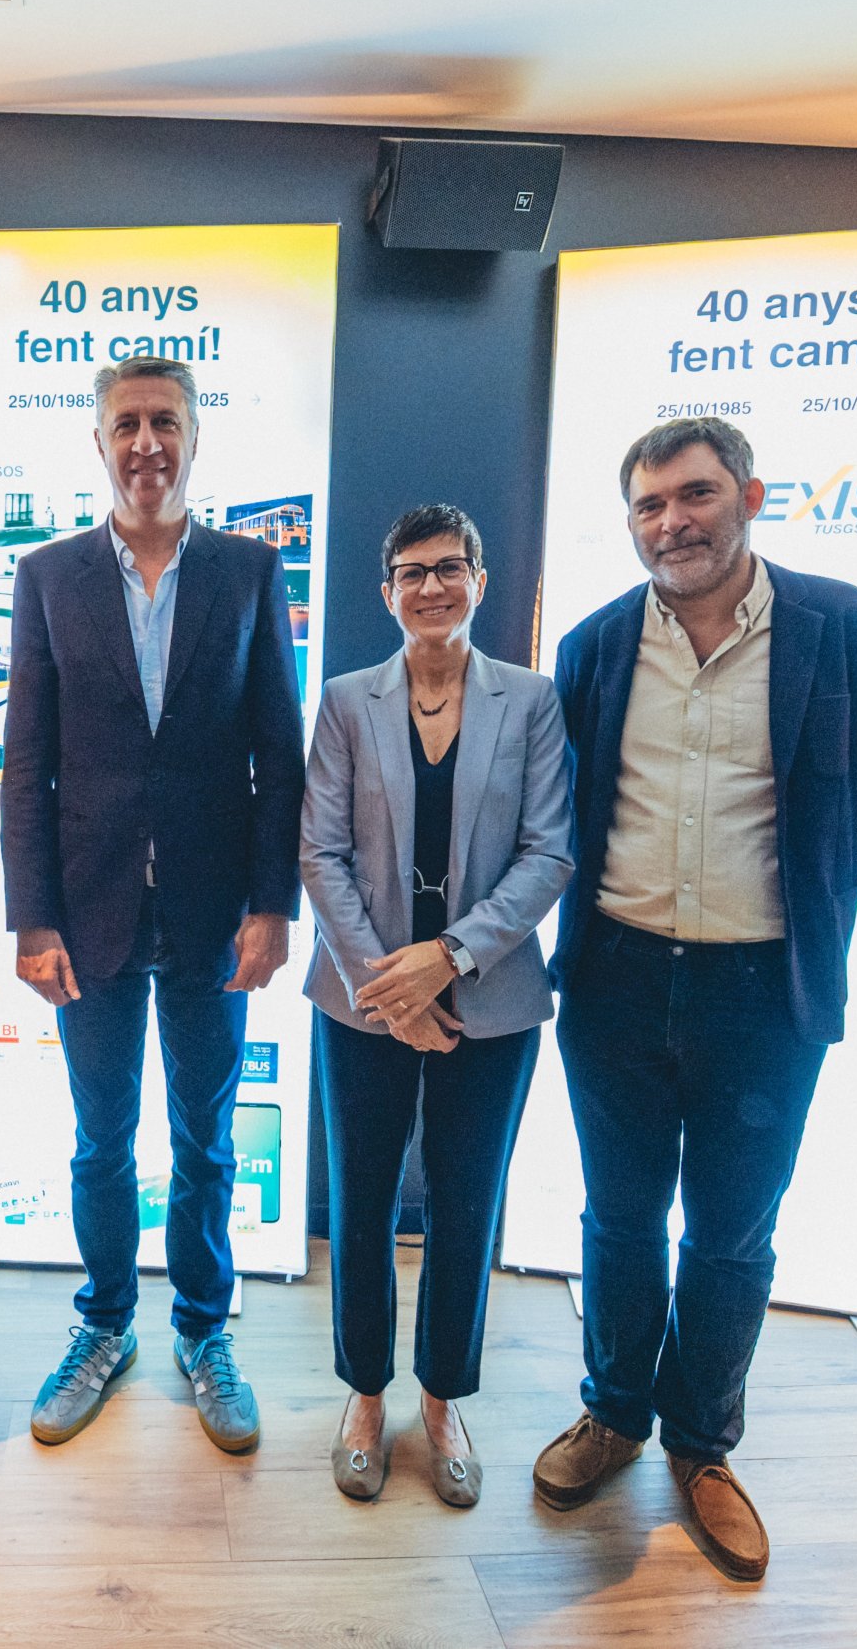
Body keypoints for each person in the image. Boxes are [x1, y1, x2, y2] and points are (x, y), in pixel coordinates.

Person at [533, 416, 857, 1580]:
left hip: (764, 990)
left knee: (731, 1229)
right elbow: (561, 806)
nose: (674, 522)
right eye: (650, 505)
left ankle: (702, 1444)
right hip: (614, 977)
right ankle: (613, 1410)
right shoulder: (596, 645)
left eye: (696, 495)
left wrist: (810, 893)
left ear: (750, 496)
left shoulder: (844, 628)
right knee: (618, 1216)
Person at [2, 355, 306, 1451]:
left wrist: (272, 903)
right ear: (98, 442)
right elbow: (26, 759)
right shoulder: (46, 575)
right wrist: (31, 916)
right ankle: (104, 1324)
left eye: (165, 422)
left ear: (193, 438)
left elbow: (279, 751)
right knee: (100, 1140)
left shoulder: (249, 570)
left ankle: (203, 1329)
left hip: (213, 912)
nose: (146, 443)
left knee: (206, 1140)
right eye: (126, 423)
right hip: (87, 914)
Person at [300, 503, 572, 1506]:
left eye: (449, 567)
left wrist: (447, 958)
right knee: (361, 1200)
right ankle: (366, 1394)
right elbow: (319, 851)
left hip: (491, 999)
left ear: (479, 581)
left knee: (466, 1204)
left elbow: (550, 852)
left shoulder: (531, 700)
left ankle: (445, 1396)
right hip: (360, 999)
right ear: (387, 592)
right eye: (411, 571)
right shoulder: (344, 700)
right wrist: (389, 985)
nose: (431, 586)